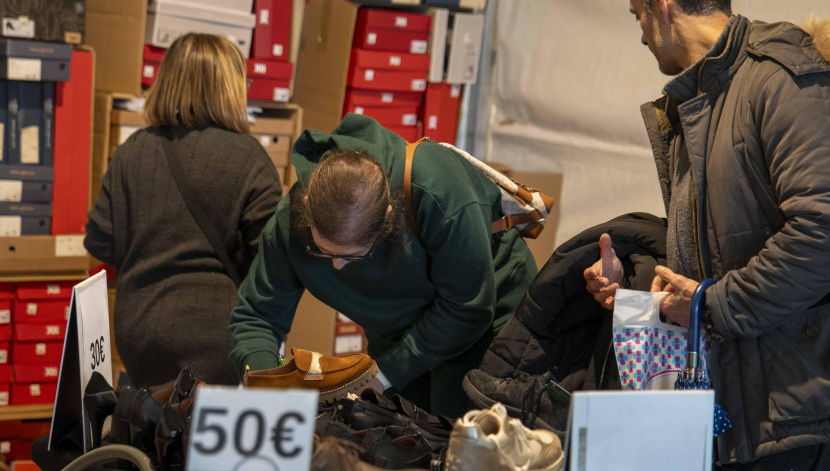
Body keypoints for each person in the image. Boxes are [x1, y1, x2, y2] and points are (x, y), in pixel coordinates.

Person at [585, 1, 830, 467]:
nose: (640, 35)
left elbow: (821, 234)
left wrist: (711, 306)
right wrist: (638, 285)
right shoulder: (701, 99)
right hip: (740, 409)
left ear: (663, 8)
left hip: (793, 417)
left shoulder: (779, 79)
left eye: (637, 14)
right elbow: (718, 248)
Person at [228, 113, 538, 417]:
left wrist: (386, 375)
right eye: (322, 251)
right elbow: (257, 315)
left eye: (352, 256)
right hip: (396, 335)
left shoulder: (435, 187)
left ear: (388, 218)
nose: (336, 266)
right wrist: (262, 382)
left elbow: (468, 307)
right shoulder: (288, 222)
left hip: (486, 321)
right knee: (399, 436)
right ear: (307, 206)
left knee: (459, 439)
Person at [85, 33, 283, 388]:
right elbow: (270, 261)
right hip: (222, 336)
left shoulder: (133, 151)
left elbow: (101, 244)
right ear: (232, 87)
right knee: (210, 441)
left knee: (153, 434)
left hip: (139, 334)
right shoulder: (250, 158)